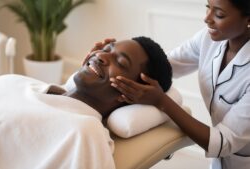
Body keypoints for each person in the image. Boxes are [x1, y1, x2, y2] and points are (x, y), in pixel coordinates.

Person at [0, 37, 172, 169]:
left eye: (120, 62)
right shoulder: (16, 81)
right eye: (106, 49)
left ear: (132, 93)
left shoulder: (83, 131)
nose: (101, 56)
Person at [87, 0, 250, 168]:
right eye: (208, 7)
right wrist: (99, 61)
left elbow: (223, 142)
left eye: (219, 14)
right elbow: (164, 66)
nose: (207, 18)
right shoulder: (208, 39)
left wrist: (161, 101)